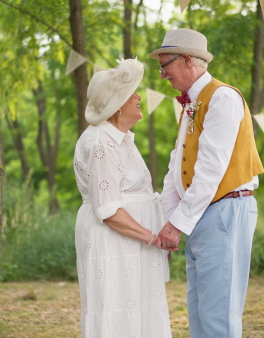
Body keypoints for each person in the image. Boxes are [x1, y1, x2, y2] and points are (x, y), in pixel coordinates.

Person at [149, 29, 264, 338]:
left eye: (165, 66)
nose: (162, 75)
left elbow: (210, 171)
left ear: (187, 60)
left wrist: (178, 224)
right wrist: (170, 222)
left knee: (219, 318)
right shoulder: (190, 104)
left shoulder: (223, 97)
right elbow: (178, 166)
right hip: (201, 213)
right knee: (199, 314)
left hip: (225, 209)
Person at [73, 58, 176, 338]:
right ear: (118, 105)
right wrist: (152, 237)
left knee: (139, 311)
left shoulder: (121, 139)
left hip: (132, 244)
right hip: (113, 242)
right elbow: (107, 209)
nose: (139, 96)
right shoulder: (100, 143)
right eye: (133, 93)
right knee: (116, 310)